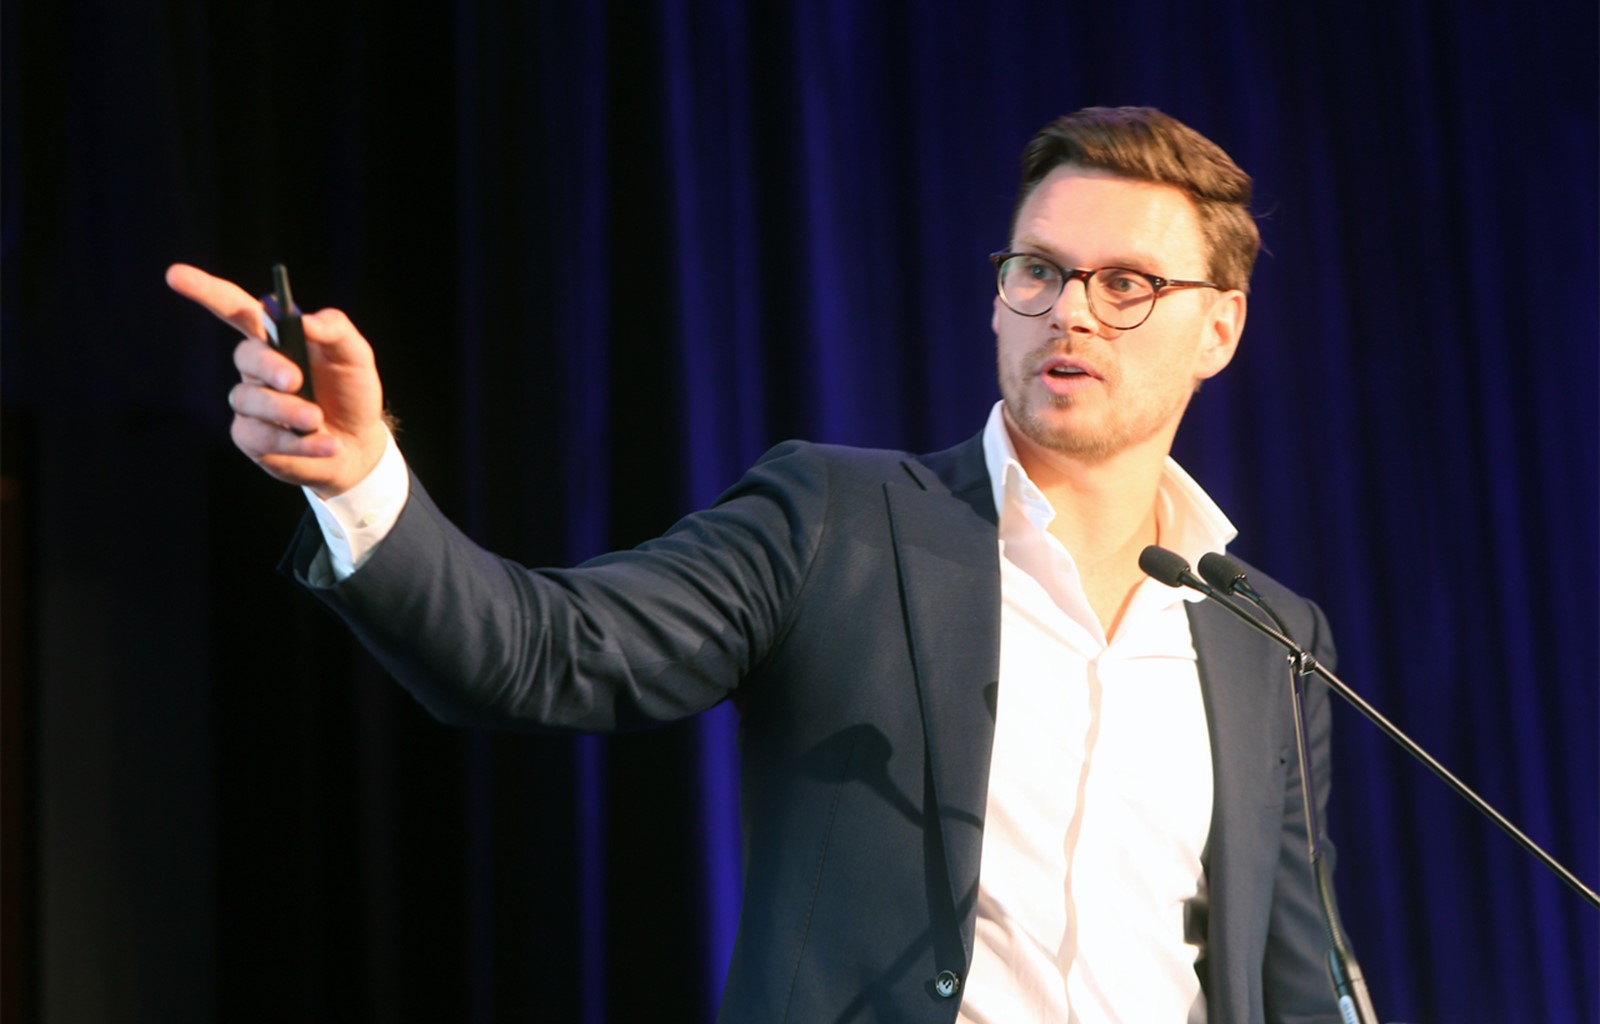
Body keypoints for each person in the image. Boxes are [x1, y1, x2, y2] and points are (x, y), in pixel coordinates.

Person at [169, 106, 1346, 1023]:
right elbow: (536, 653)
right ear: (999, 301)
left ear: (1220, 327)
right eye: (1038, 270)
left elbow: (1303, 975)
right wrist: (359, 474)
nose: (1070, 312)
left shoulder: (1268, 638)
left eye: (1125, 284)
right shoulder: (838, 522)